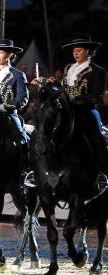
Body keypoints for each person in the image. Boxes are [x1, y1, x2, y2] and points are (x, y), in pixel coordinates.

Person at [60, 35, 108, 174]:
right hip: (66, 111)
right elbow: (64, 89)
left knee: (97, 139)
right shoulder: (68, 67)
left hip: (85, 111)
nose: (75, 53)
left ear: (88, 51)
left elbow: (96, 95)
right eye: (74, 51)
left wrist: (73, 98)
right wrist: (51, 84)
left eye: (79, 50)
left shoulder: (98, 71)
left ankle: (102, 172)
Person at [0, 39, 29, 166]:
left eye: (1, 52)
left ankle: (26, 168)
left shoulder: (18, 75)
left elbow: (23, 99)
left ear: (10, 55)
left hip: (8, 115)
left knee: (20, 137)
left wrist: (4, 106)